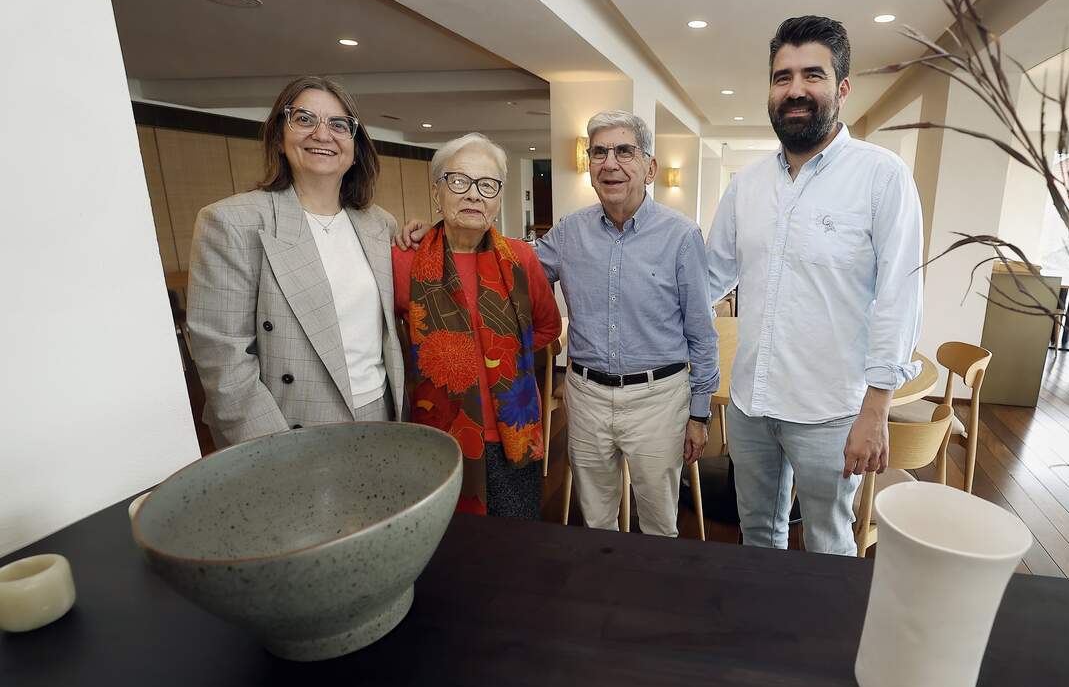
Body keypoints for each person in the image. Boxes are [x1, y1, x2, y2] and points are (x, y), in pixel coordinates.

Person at [706, 16, 924, 556]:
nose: (795, 90)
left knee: (829, 541)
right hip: (750, 404)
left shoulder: (882, 176)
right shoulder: (746, 185)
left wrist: (876, 408)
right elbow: (708, 277)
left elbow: (900, 295)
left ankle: (828, 642)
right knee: (758, 534)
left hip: (831, 410)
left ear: (842, 88)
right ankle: (765, 635)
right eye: (783, 77)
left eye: (812, 75)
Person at [187, 76, 403, 448]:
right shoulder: (233, 222)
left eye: (338, 124)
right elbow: (224, 362)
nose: (322, 134)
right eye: (304, 119)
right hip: (290, 427)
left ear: (355, 145)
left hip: (380, 411)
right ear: (279, 137)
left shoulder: (379, 224)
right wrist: (276, 451)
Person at [537, 110, 718, 537]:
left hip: (658, 400)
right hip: (585, 397)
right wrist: (443, 234)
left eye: (624, 151)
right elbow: (512, 271)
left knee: (658, 523)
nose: (610, 163)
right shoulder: (568, 232)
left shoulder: (681, 236)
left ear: (649, 167)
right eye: (598, 152)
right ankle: (603, 600)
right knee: (595, 519)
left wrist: (699, 414)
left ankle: (655, 600)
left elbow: (701, 334)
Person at [392, 133, 561, 519]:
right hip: (438, 435)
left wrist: (499, 360)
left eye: (487, 185)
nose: (473, 195)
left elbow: (547, 327)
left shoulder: (521, 258)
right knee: (453, 549)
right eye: (458, 181)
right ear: (438, 191)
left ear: (499, 199)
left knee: (516, 545)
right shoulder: (405, 261)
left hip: (513, 433)